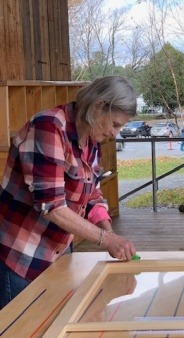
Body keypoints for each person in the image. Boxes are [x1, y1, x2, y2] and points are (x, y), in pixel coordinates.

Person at [0, 76, 138, 310]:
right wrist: (107, 240)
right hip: (21, 255)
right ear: (98, 107)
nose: (116, 133)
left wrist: (109, 230)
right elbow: (51, 206)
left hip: (59, 251)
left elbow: (92, 193)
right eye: (115, 124)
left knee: (52, 322)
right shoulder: (49, 127)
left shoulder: (91, 139)